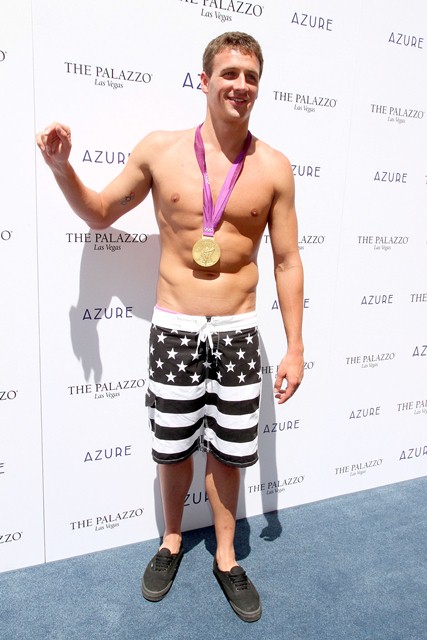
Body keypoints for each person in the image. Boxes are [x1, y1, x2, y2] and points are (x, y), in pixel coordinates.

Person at [36, 31, 304, 623]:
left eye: (251, 76)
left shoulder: (275, 167)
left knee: (230, 454)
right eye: (229, 73)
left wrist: (295, 347)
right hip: (175, 329)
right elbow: (100, 213)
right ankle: (172, 541)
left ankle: (227, 558)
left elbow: (286, 261)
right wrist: (61, 168)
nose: (240, 85)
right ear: (203, 81)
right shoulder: (160, 151)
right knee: (173, 447)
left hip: (237, 332)